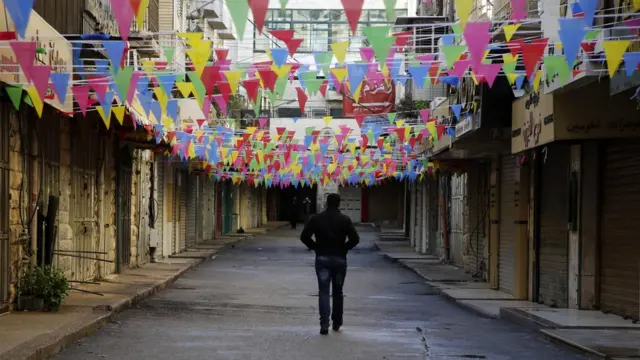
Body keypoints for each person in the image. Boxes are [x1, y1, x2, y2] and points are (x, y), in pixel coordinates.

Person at [300, 193, 360, 335]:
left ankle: (324, 324)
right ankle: (337, 322)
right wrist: (344, 248)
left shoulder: (317, 219)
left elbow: (304, 237)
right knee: (338, 292)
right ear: (339, 203)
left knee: (323, 291)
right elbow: (355, 239)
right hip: (339, 259)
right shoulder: (345, 220)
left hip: (322, 259)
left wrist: (315, 247)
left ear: (327, 203)